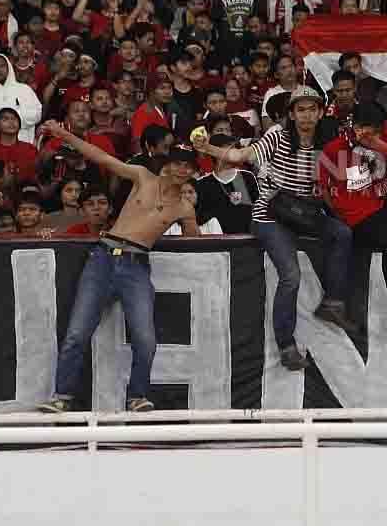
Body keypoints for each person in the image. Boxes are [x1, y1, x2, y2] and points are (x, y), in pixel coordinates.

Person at [37, 118, 200, 414]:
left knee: (145, 339)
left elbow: (195, 242)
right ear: (167, 164)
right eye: (178, 163)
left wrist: (191, 218)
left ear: (193, 172)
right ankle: (62, 395)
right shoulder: (143, 176)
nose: (182, 170)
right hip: (103, 257)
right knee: (76, 333)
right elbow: (101, 157)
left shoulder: (184, 206)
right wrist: (64, 134)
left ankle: (137, 396)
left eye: (188, 167)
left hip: (136, 263)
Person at [197, 87, 353, 371]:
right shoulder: (277, 135)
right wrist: (209, 149)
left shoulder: (327, 142)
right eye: (300, 110)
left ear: (321, 113)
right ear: (291, 114)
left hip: (304, 213)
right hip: (270, 215)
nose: (306, 115)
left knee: (342, 233)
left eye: (312, 109)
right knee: (291, 276)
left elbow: (337, 179)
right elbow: (243, 154)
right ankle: (286, 345)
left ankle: (333, 303)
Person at [319, 103, 387, 334]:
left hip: (381, 202)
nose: (368, 135)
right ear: (354, 126)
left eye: (375, 131)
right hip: (357, 215)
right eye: (362, 129)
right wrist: (337, 216)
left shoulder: (382, 137)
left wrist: (383, 147)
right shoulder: (334, 148)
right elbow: (323, 188)